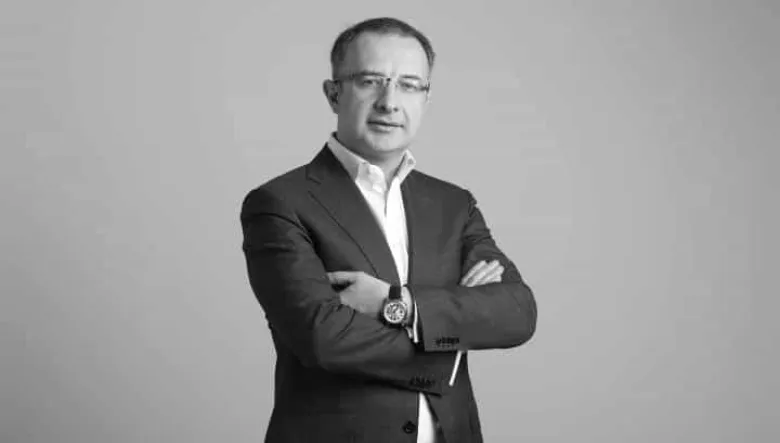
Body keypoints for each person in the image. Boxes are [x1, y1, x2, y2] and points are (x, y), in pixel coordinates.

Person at [240, 17, 537, 443]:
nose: (389, 102)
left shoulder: (454, 205)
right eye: (370, 81)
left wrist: (396, 303)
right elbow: (323, 337)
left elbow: (517, 312)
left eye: (409, 85)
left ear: (426, 98)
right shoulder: (279, 203)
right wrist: (449, 346)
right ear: (334, 94)